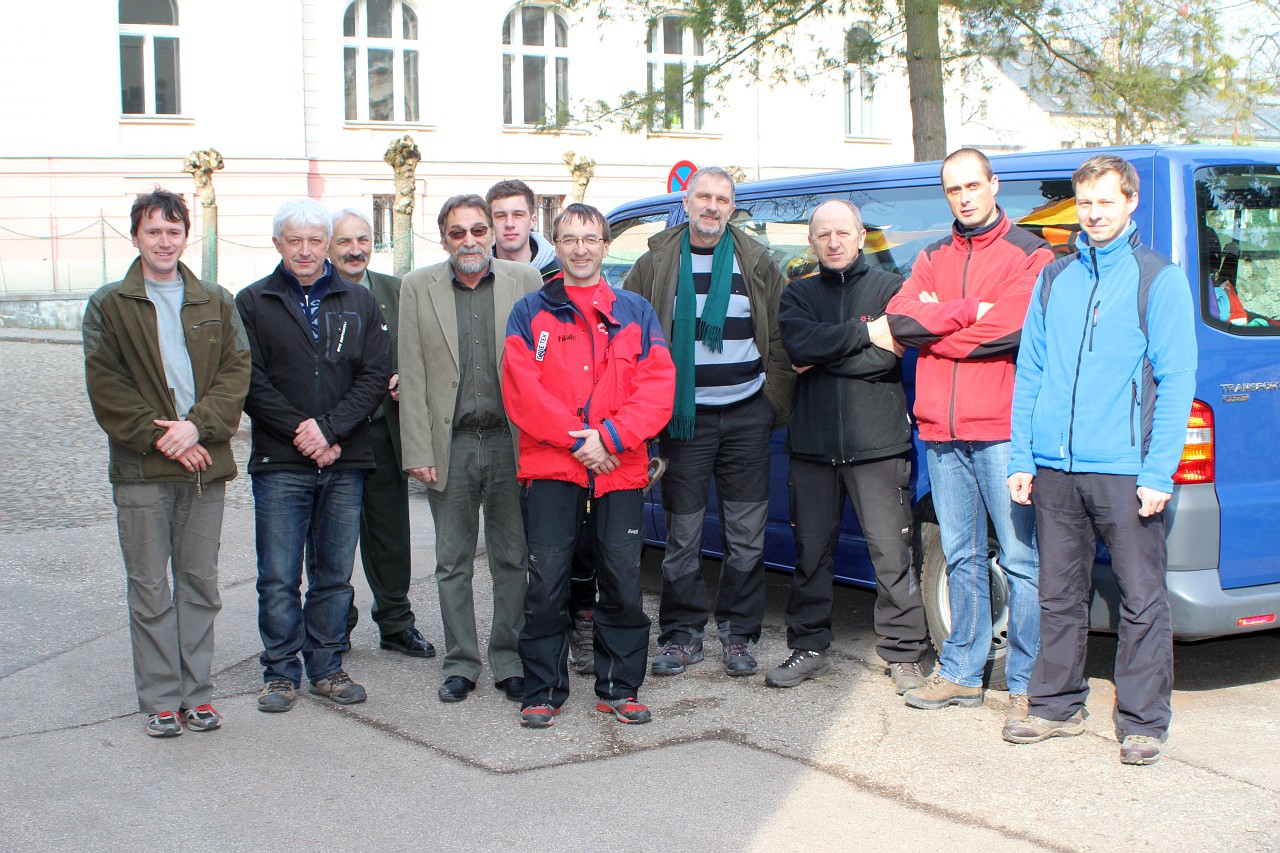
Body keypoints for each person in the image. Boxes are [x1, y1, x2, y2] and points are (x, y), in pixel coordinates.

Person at [1004, 155, 1197, 766]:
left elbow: (1177, 378)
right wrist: (1022, 456)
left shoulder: (1157, 278)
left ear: (1130, 201)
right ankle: (1055, 706)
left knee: (1142, 597)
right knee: (1058, 593)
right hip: (1055, 468)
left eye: (1105, 202)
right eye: (1084, 203)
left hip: (1125, 469)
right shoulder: (1054, 277)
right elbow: (1030, 370)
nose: (1093, 214)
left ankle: (1143, 722)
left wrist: (1158, 471)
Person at [885, 148, 1054, 720]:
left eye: (972, 186)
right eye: (953, 189)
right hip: (941, 432)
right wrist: (971, 310)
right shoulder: (930, 255)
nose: (963, 197)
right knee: (960, 555)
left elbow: (1011, 328)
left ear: (993, 185)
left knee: (1022, 561)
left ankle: (1028, 682)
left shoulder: (1032, 253)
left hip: (1003, 432)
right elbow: (901, 320)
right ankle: (960, 672)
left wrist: (940, 324)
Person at [83, 189, 250, 737]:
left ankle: (197, 694)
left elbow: (236, 373)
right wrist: (167, 439)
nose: (163, 241)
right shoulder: (110, 304)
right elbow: (107, 385)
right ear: (135, 236)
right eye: (153, 231)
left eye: (173, 231)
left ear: (185, 237)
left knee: (199, 584)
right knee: (151, 586)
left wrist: (196, 427)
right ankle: (160, 698)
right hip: (141, 471)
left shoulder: (215, 301)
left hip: (204, 467)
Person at [502, 202, 675, 727]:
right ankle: (542, 690)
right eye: (570, 239)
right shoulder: (529, 312)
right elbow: (522, 390)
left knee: (622, 582)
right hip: (552, 468)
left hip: (619, 469)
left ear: (605, 245)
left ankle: (620, 687)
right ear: (556, 245)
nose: (581, 249)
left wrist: (612, 438)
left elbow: (657, 389)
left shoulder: (636, 312)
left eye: (591, 238)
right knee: (546, 584)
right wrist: (583, 442)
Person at [624, 166, 793, 678]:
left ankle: (739, 636)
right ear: (686, 201)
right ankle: (682, 636)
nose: (712, 206)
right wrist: (648, 408)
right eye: (703, 197)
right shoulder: (656, 261)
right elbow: (629, 335)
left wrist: (769, 405)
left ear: (732, 207)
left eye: (722, 199)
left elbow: (781, 335)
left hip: (746, 417)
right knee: (682, 535)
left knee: (746, 534)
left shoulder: (755, 260)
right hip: (683, 422)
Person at [236, 199, 391, 713]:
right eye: (294, 240)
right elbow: (250, 379)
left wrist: (330, 429)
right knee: (279, 577)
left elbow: (374, 375)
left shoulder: (360, 300)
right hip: (280, 462)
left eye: (314, 240)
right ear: (277, 244)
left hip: (345, 460)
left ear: (327, 244)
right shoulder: (253, 301)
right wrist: (302, 432)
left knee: (333, 576)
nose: (305, 250)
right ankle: (280, 672)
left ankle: (326, 666)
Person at [768, 200, 928, 690]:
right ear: (811, 242)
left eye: (842, 232)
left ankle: (904, 654)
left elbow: (887, 359)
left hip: (878, 448)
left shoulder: (891, 288)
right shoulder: (797, 293)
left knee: (892, 556)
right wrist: (864, 333)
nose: (833, 242)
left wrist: (824, 354)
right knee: (811, 555)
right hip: (813, 449)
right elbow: (799, 348)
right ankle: (808, 647)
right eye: (823, 235)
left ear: (861, 236)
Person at [398, 194, 542, 704]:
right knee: (452, 560)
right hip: (450, 443)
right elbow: (412, 371)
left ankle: (509, 659)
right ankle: (461, 662)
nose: (470, 240)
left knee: (512, 558)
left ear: (492, 233)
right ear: (444, 239)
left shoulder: (526, 281)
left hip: (511, 442)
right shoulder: (418, 286)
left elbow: (542, 365)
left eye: (478, 230)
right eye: (457, 232)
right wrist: (417, 448)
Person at [486, 179, 596, 678]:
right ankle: (523, 642)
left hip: (570, 440)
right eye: (500, 215)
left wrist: (591, 437)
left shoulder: (562, 271)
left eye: (518, 213)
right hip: (507, 430)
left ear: (533, 219)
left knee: (580, 548)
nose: (509, 223)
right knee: (527, 552)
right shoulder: (474, 267)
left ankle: (581, 625)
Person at [329, 209, 435, 659]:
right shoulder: (314, 293)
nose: (355, 250)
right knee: (331, 539)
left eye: (363, 240)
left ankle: (395, 623)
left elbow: (421, 350)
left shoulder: (397, 290)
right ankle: (334, 623)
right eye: (344, 241)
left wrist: (406, 377)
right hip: (333, 437)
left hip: (382, 434)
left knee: (390, 536)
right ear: (328, 247)